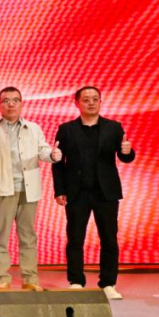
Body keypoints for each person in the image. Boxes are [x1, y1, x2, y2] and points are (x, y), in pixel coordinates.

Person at [52, 86, 136, 300]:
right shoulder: (66, 129)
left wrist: (128, 152)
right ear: (77, 103)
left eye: (95, 99)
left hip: (106, 192)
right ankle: (76, 281)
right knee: (75, 238)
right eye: (86, 99)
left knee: (109, 238)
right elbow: (58, 162)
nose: (91, 103)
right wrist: (59, 190)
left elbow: (125, 155)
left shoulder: (114, 127)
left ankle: (108, 283)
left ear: (100, 102)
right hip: (76, 192)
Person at [0, 87, 57, 292]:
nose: (11, 104)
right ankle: (2, 279)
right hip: (2, 189)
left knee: (28, 236)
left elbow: (43, 151)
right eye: (6, 101)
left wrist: (52, 155)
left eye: (15, 100)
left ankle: (30, 279)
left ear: (22, 104)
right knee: (1, 237)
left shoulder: (34, 128)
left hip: (28, 190)